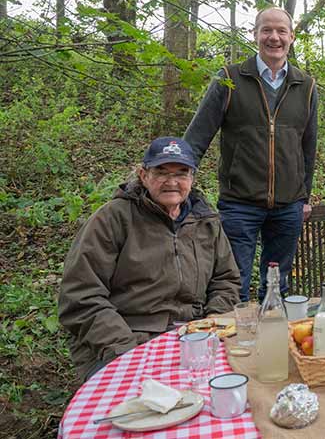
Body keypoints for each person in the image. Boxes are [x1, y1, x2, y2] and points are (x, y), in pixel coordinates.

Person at [58, 137, 241, 381]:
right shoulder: (112, 219)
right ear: (144, 175)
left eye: (181, 173)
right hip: (127, 337)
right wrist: (125, 348)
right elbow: (81, 296)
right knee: (138, 408)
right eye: (161, 172)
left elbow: (226, 279)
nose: (172, 182)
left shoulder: (205, 221)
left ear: (192, 178)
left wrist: (211, 322)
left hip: (193, 332)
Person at [184, 7, 318, 302]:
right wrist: (180, 180)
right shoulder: (230, 79)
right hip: (239, 203)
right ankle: (237, 346)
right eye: (266, 30)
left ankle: (272, 345)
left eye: (281, 31)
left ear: (292, 37)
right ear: (255, 35)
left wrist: (303, 197)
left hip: (287, 207)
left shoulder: (305, 86)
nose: (274, 37)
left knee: (277, 287)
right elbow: (197, 137)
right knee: (235, 284)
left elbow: (308, 147)